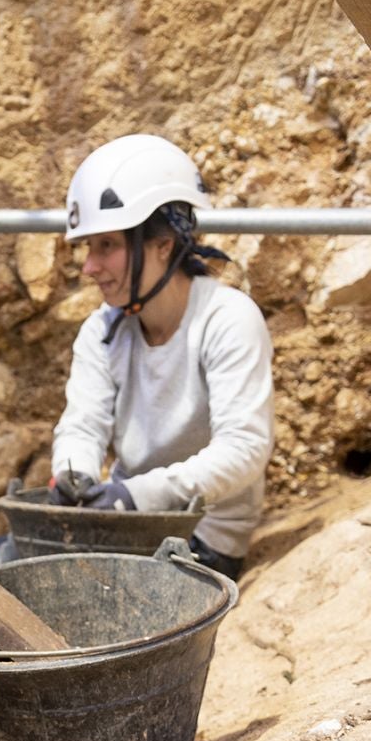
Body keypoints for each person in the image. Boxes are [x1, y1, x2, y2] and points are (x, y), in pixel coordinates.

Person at [49, 134, 273, 580]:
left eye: (106, 245)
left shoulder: (226, 318)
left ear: (164, 244)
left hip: (204, 539)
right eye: (89, 248)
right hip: (127, 523)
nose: (89, 266)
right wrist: (74, 470)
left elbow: (245, 448)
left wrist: (135, 495)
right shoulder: (102, 329)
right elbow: (83, 424)